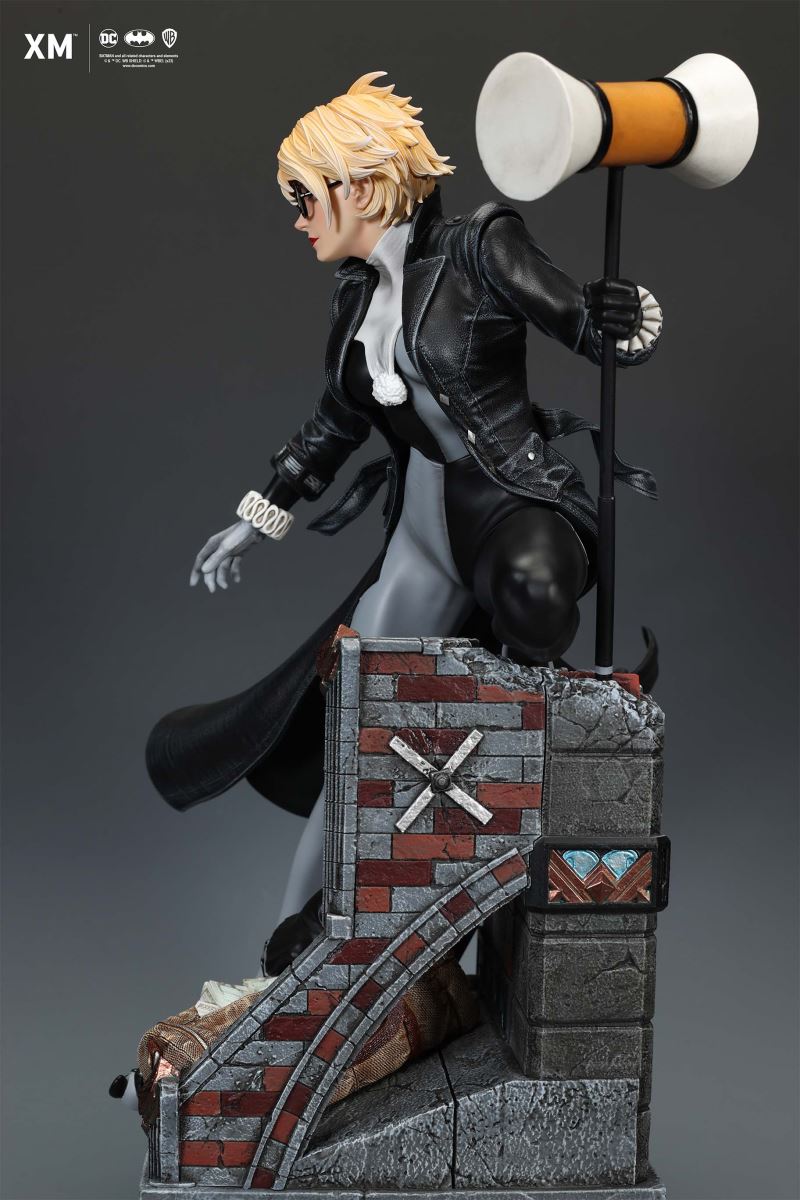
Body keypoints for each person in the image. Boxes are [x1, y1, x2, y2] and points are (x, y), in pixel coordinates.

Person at [146, 72, 661, 968]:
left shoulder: (479, 246)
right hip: (424, 530)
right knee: (359, 723)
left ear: (362, 183)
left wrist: (621, 316)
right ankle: (291, 950)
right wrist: (258, 516)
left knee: (536, 598)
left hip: (511, 500)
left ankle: (513, 794)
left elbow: (579, 321)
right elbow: (336, 423)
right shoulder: (355, 296)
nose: (299, 219)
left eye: (305, 197)